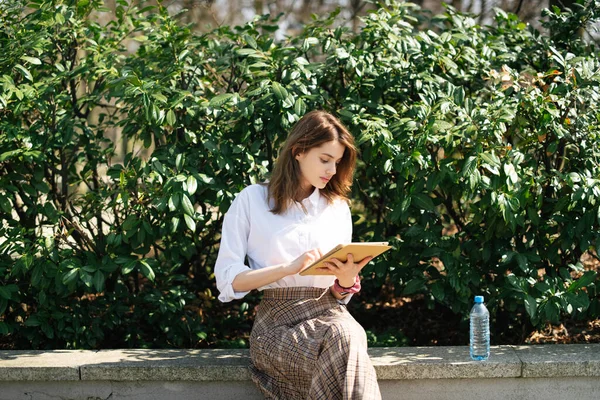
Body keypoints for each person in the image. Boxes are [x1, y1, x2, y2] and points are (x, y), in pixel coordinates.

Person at [214, 110, 382, 399]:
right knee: (346, 341)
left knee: (347, 334)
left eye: (337, 162)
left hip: (330, 314)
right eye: (325, 159)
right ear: (299, 151)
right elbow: (227, 281)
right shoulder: (252, 200)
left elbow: (341, 295)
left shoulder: (337, 208)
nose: (331, 170)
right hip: (277, 324)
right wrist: (288, 268)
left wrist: (345, 281)